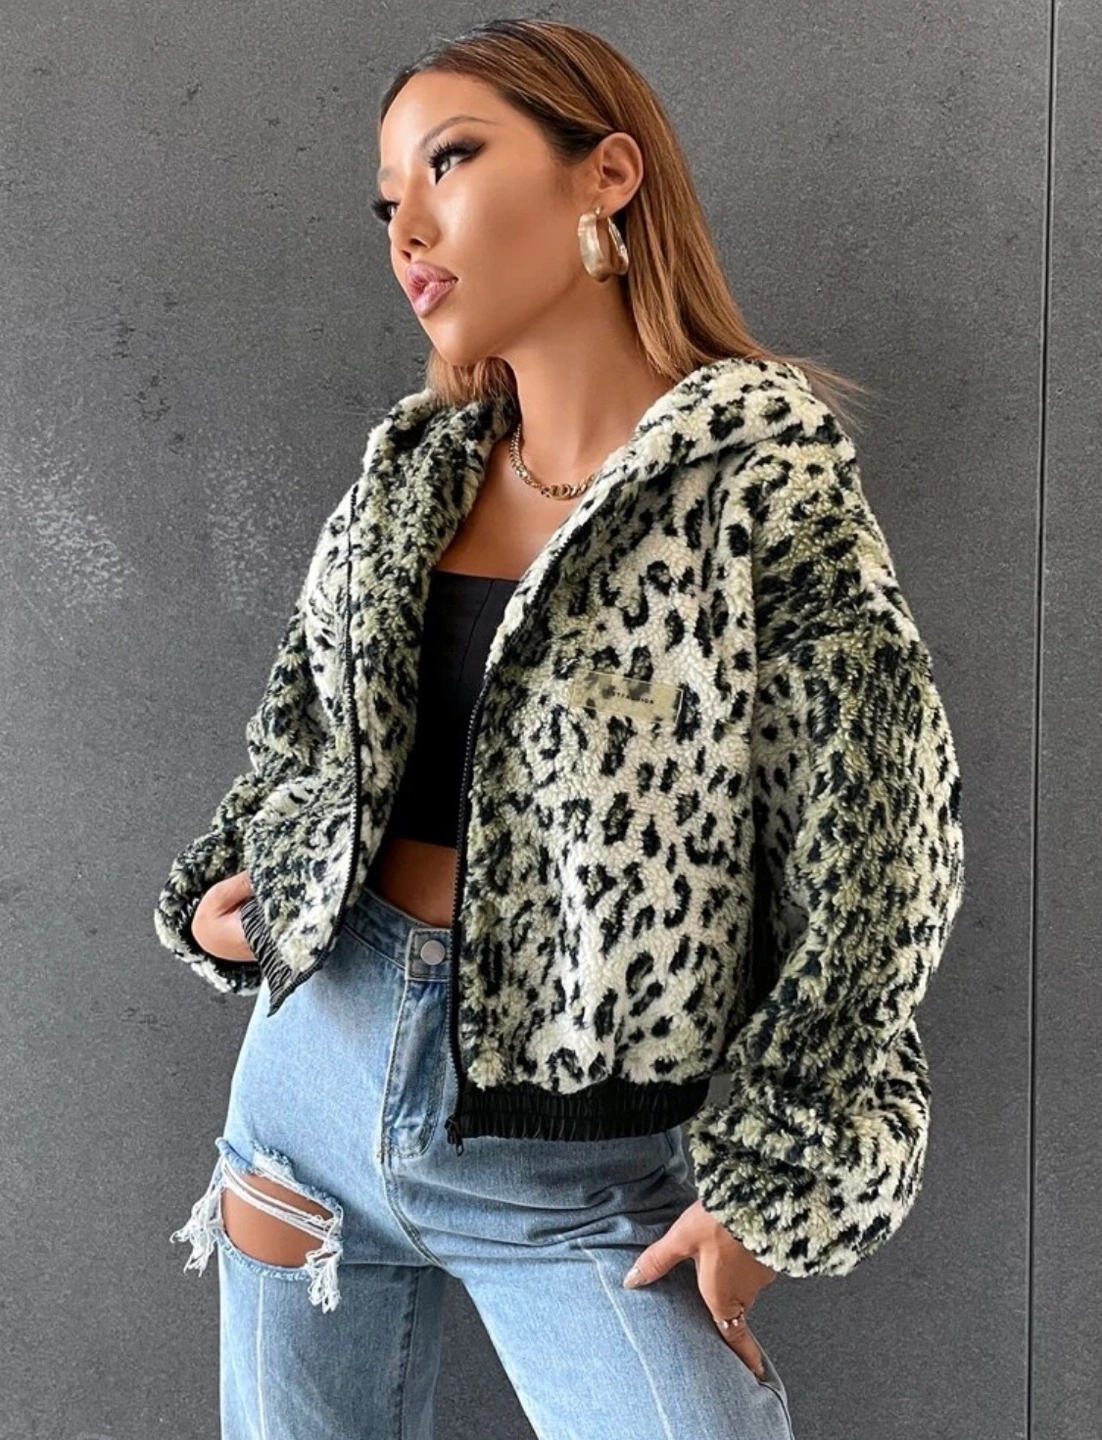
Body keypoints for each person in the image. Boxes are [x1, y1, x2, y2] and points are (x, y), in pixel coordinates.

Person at [156, 18, 966, 1440]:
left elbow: (880, 854)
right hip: (302, 1099)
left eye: (451, 162)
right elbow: (303, 737)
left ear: (607, 174)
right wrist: (245, 887)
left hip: (575, 1163)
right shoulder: (411, 475)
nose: (407, 229)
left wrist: (781, 1178)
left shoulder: (759, 488)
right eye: (386, 200)